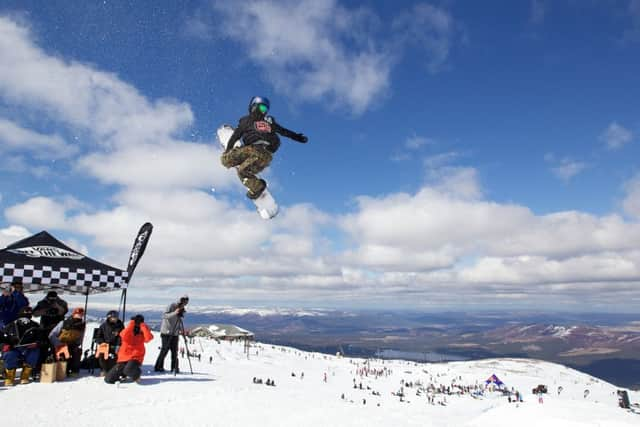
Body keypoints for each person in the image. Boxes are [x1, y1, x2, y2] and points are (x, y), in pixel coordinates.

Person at [221, 96, 308, 199]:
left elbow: (283, 131)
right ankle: (256, 186)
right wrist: (297, 137)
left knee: (226, 161)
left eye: (265, 109)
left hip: (256, 151)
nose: (263, 111)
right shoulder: (265, 122)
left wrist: (228, 150)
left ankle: (256, 184)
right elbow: (283, 132)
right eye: (261, 108)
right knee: (243, 171)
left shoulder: (258, 121)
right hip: (265, 157)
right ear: (253, 106)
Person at [1, 306, 44, 386]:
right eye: (25, 313)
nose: (26, 317)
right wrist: (4, 345)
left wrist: (37, 344)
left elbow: (42, 339)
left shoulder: (35, 326)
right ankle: (10, 376)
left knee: (34, 353)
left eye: (29, 314)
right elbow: (2, 339)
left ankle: (25, 375)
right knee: (10, 354)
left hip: (28, 349)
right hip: (13, 349)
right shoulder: (10, 326)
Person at [104, 314, 153, 384]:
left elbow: (148, 338)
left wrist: (143, 326)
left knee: (128, 369)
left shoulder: (143, 331)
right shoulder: (128, 330)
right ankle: (124, 373)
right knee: (108, 379)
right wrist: (132, 323)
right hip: (124, 357)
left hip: (136, 357)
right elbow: (122, 335)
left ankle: (137, 373)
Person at [33, 290, 69, 373]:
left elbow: (63, 312)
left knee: (57, 349)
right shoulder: (42, 303)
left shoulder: (61, 302)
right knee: (43, 349)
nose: (52, 299)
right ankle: (39, 368)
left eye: (53, 298)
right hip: (44, 328)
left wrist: (57, 306)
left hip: (57, 329)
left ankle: (58, 369)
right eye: (50, 298)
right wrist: (45, 310)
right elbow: (34, 313)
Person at [154, 295, 188, 373]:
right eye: (184, 302)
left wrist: (181, 331)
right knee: (164, 350)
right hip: (166, 332)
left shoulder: (182, 309)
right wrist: (175, 313)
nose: (184, 304)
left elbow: (179, 321)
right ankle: (158, 367)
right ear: (180, 300)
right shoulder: (172, 306)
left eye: (186, 303)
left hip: (175, 333)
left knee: (174, 351)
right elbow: (164, 316)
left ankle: (174, 368)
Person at [49, 307, 86, 376]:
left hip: (71, 344)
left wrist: (76, 344)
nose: (79, 316)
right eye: (78, 314)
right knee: (64, 353)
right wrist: (58, 344)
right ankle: (62, 370)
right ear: (74, 314)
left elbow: (81, 337)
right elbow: (52, 335)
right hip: (59, 344)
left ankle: (74, 370)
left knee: (77, 351)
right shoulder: (64, 323)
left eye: (81, 314)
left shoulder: (82, 325)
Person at [95, 310, 125, 376]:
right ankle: (104, 370)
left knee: (116, 355)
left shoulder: (120, 326)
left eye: (116, 317)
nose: (114, 319)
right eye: (113, 317)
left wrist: (118, 344)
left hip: (116, 345)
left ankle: (114, 369)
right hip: (105, 345)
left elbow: (122, 337)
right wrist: (102, 342)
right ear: (109, 318)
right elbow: (98, 336)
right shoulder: (103, 326)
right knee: (102, 354)